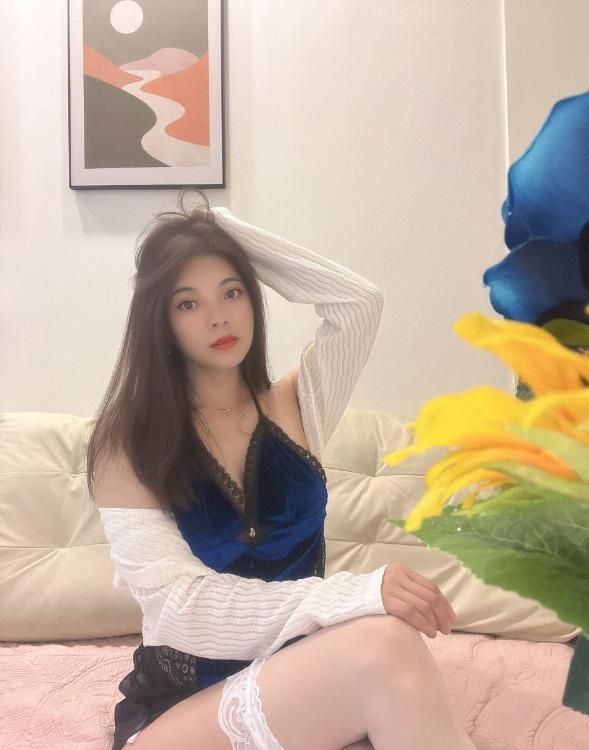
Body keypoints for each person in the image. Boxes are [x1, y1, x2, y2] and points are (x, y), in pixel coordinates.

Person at [89, 192, 477, 750]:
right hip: (184, 708)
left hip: (304, 681)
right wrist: (353, 594)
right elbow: (179, 610)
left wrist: (220, 228)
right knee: (386, 644)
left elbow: (359, 303)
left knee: (390, 648)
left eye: (232, 292)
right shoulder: (128, 441)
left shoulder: (298, 404)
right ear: (161, 322)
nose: (219, 316)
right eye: (188, 303)